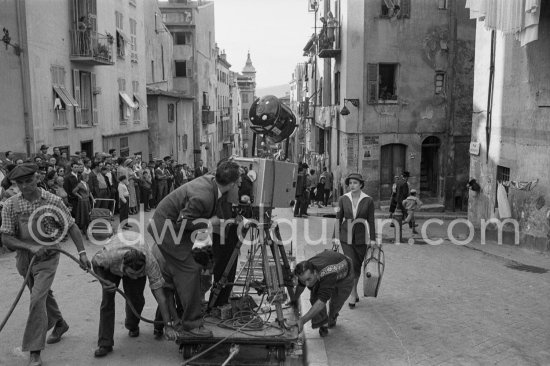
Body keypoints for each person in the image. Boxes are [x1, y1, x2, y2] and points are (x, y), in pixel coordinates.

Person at [0, 163, 90, 366]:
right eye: (20, 183)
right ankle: (59, 323)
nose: (25, 186)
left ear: (37, 178)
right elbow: (6, 238)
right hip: (25, 259)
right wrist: (29, 247)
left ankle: (34, 352)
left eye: (28, 181)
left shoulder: (52, 200)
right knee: (42, 294)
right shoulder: (11, 205)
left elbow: (72, 226)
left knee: (36, 300)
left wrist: (83, 254)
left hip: (49, 257)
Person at [147, 160, 241, 337]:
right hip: (167, 231)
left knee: (180, 273)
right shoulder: (203, 196)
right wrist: (209, 223)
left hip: (172, 228)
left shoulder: (212, 181)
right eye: (239, 184)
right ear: (232, 184)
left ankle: (173, 319)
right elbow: (183, 222)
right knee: (190, 271)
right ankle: (191, 324)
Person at [91, 232, 178, 358]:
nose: (136, 276)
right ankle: (105, 343)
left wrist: (168, 326)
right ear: (123, 266)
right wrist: (103, 282)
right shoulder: (109, 257)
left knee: (136, 300)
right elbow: (95, 262)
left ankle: (132, 325)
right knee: (107, 302)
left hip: (137, 245)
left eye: (139, 273)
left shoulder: (150, 263)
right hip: (112, 264)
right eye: (132, 274)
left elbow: (162, 299)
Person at [333, 173, 375, 309]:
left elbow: (371, 221)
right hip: (346, 237)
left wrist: (373, 239)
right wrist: (335, 237)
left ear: (361, 184)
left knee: (357, 266)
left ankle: (354, 290)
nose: (352, 185)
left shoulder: (368, 200)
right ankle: (352, 294)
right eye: (350, 183)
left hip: (362, 238)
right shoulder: (343, 199)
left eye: (355, 183)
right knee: (350, 264)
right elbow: (338, 218)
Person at [290, 250, 354, 337]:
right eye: (304, 281)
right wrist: (294, 299)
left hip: (344, 275)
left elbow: (321, 303)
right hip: (328, 266)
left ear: (315, 272)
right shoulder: (305, 269)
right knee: (314, 297)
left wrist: (302, 321)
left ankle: (332, 317)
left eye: (309, 279)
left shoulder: (327, 273)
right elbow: (301, 285)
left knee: (336, 302)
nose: (307, 284)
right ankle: (323, 324)